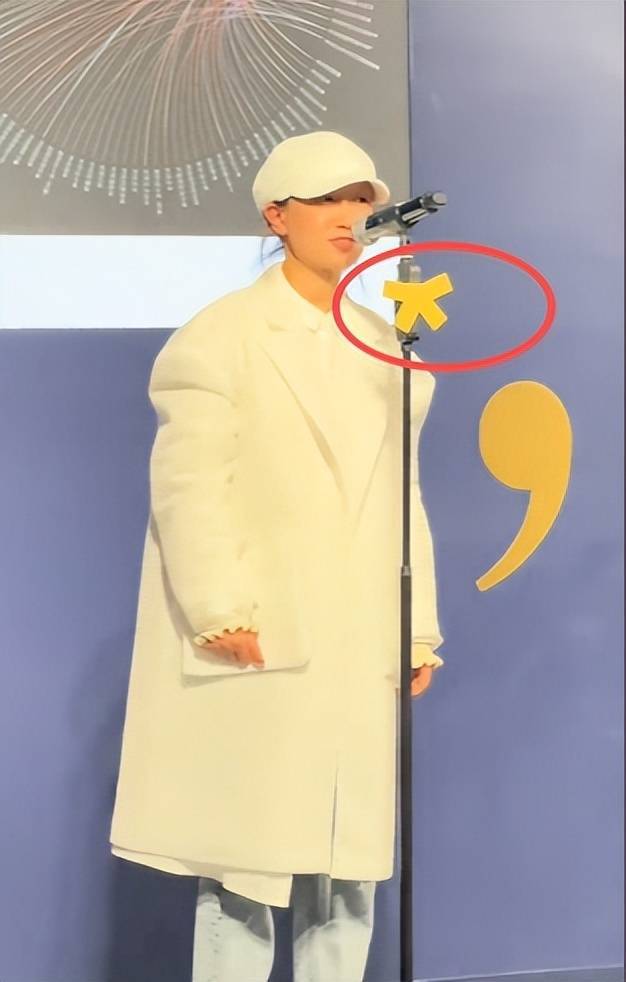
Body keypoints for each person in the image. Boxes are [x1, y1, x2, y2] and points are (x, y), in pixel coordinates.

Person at [109, 130, 444, 982]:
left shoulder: (384, 345)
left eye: (360, 200)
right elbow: (189, 487)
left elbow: (403, 496)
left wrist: (415, 628)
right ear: (277, 216)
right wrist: (218, 607)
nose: (349, 215)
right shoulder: (221, 336)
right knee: (245, 873)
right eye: (327, 199)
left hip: (357, 644)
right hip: (265, 635)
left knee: (348, 869)